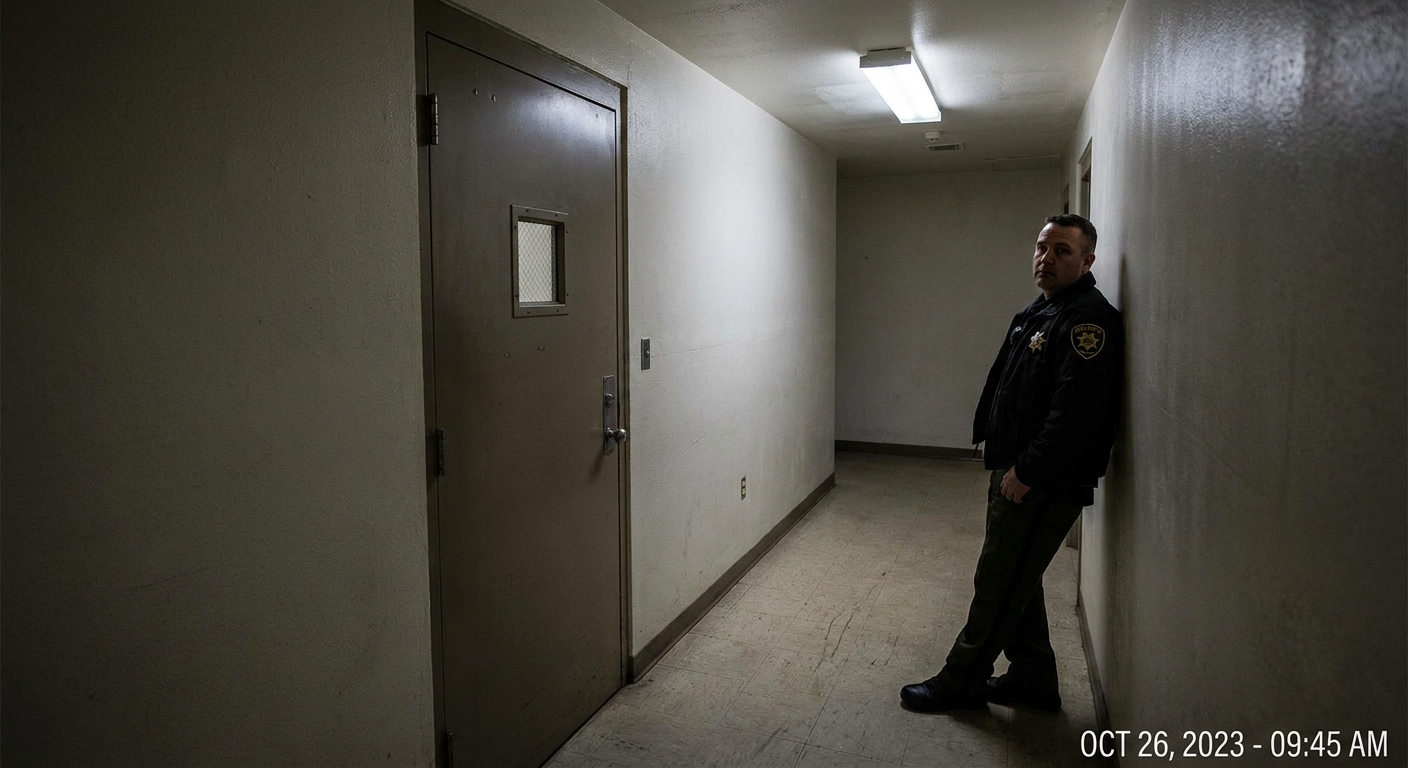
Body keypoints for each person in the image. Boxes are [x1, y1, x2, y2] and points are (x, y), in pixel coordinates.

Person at [900, 213, 1123, 714]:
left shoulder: (1088, 320)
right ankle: (1033, 679)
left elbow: (1076, 416)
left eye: (1062, 251)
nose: (1047, 258)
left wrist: (1028, 473)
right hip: (1018, 469)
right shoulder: (1044, 309)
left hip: (1043, 480)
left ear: (1088, 260)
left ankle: (961, 681)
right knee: (1018, 576)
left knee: (998, 580)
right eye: (1043, 247)